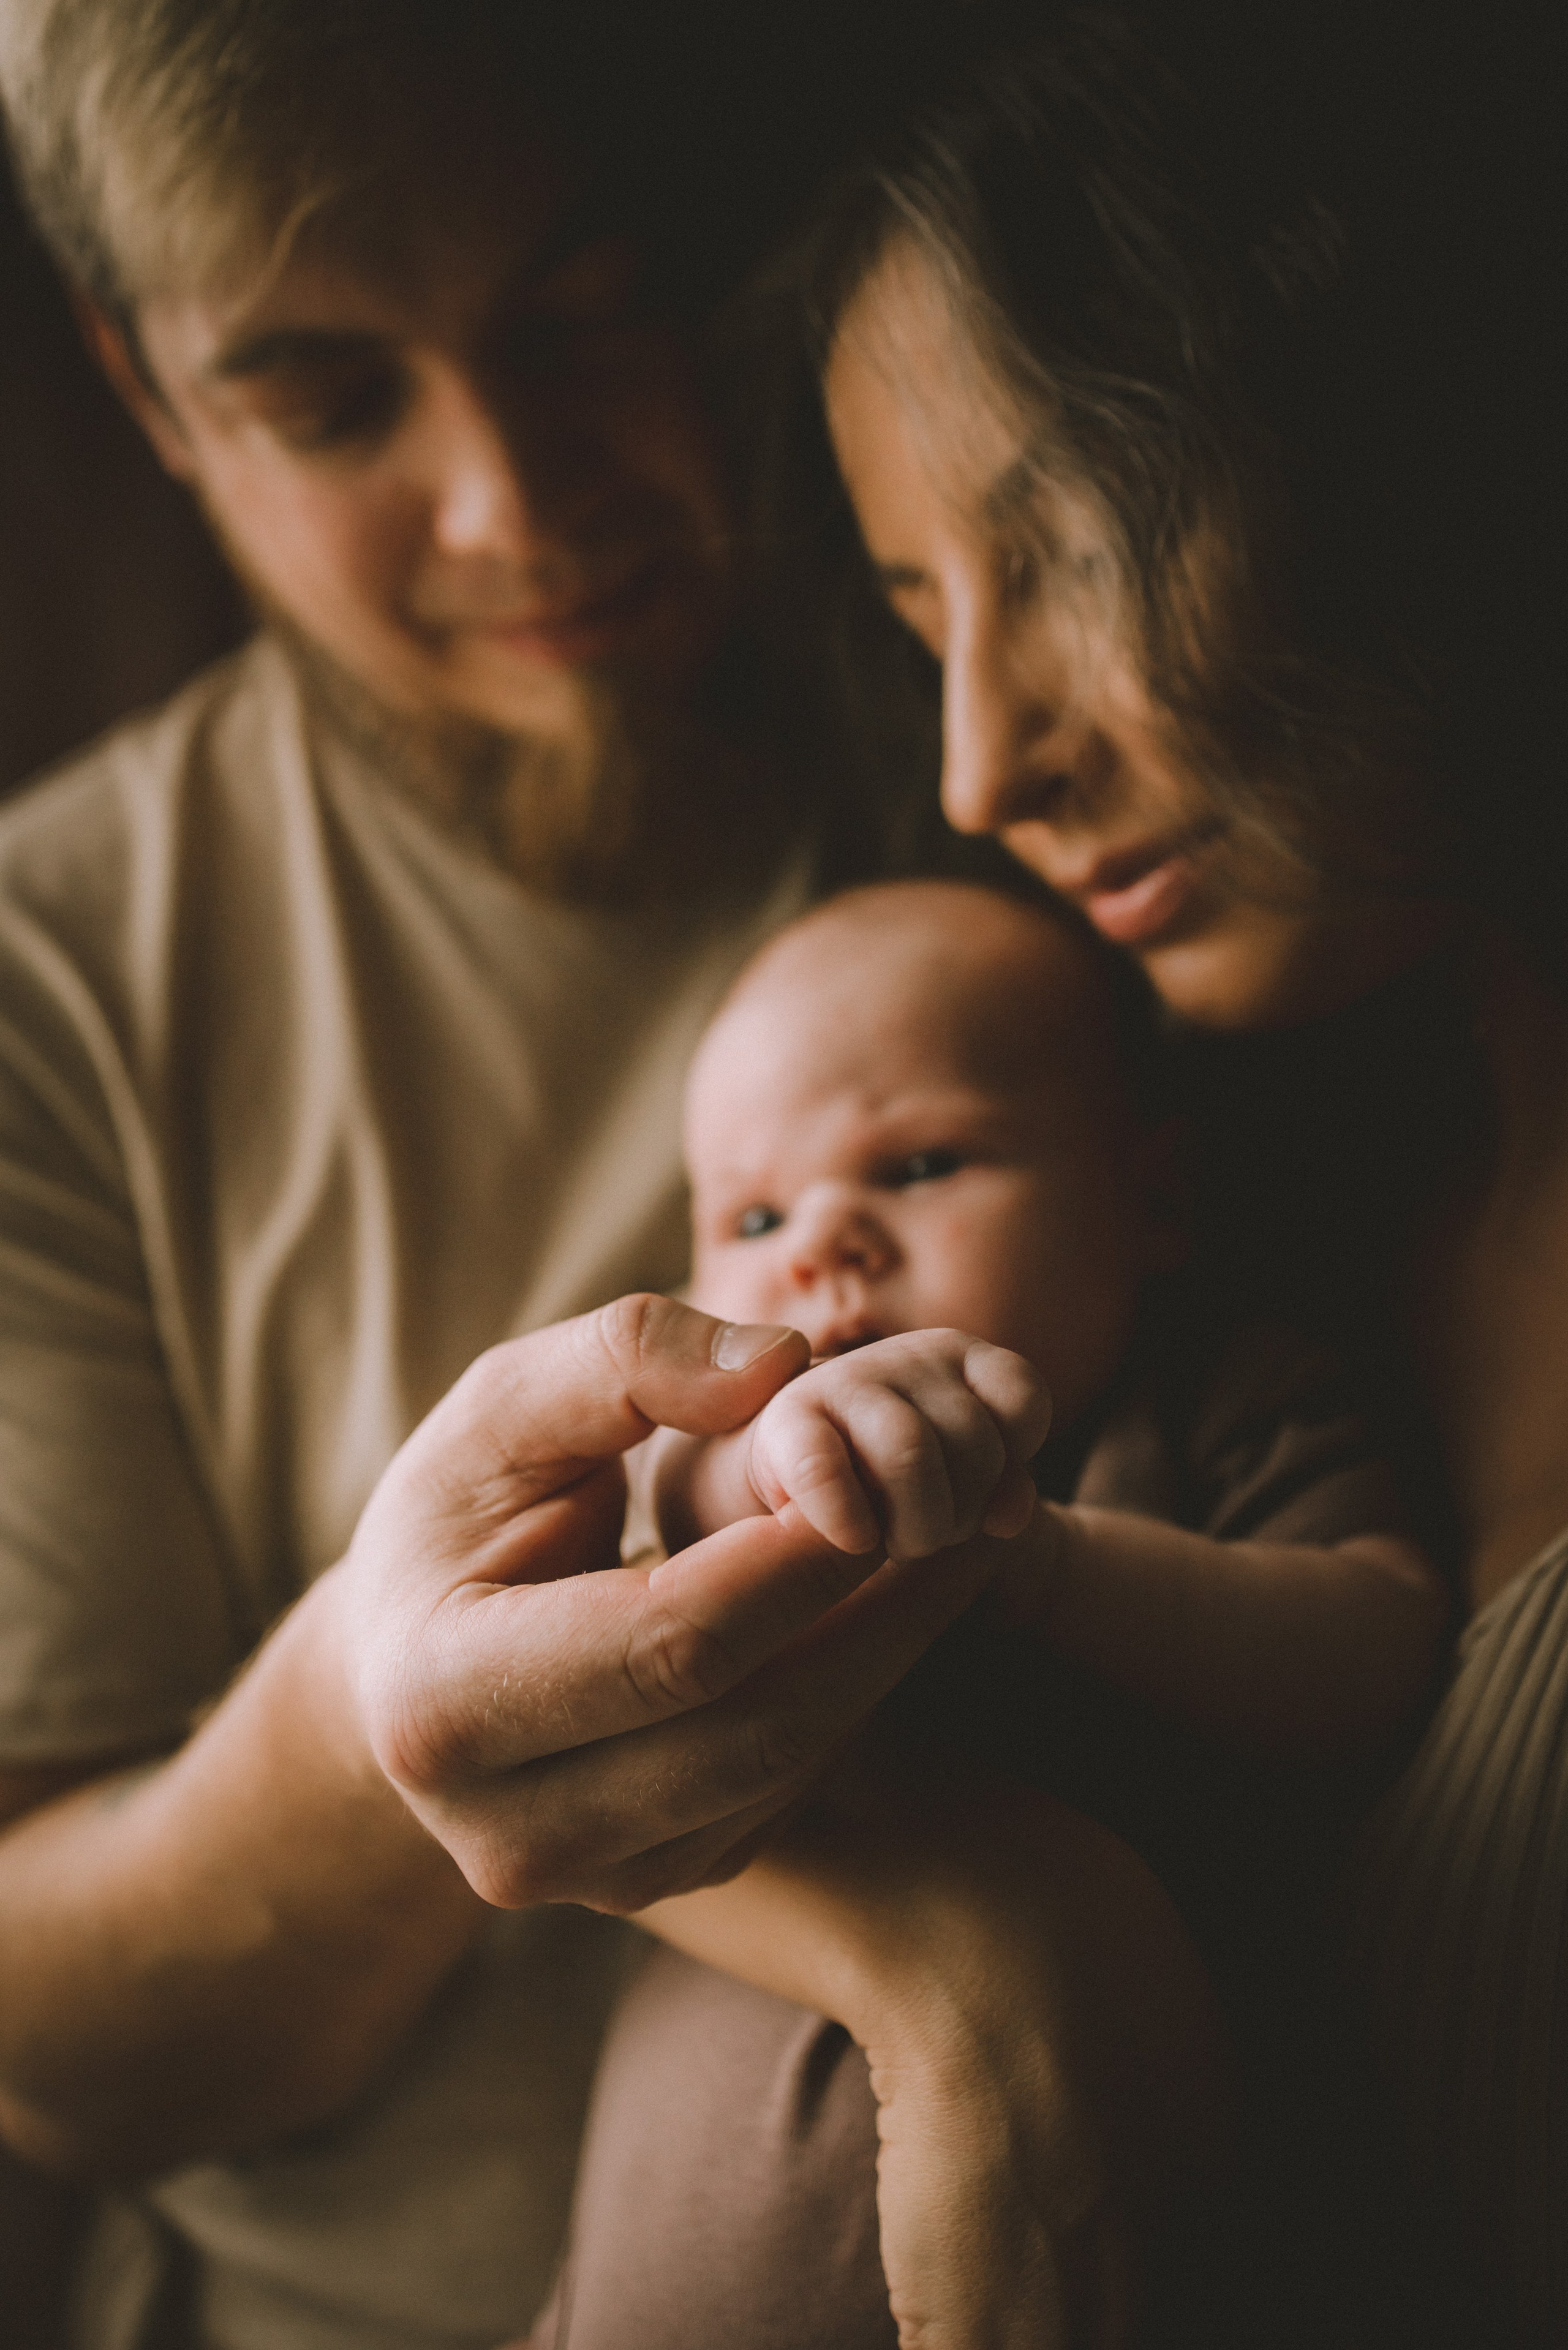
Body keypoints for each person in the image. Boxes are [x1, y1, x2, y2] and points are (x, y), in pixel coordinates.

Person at [407, 15, 1555, 2345]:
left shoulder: (1198, 1345)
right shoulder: (1294, 1113)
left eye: (1062, 549)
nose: (978, 764)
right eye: (924, 618)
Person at [0, 4, 1047, 2345]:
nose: (512, 503)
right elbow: (49, 2040)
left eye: (588, 319)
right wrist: (383, 1710)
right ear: (150, 402)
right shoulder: (47, 987)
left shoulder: (1038, 740)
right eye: (329, 398)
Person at [524, 873, 1447, 2347]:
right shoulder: (719, 1468)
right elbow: (649, 1569)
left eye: (920, 1162)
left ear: (1153, 1198)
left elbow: (1374, 1647)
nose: (822, 1245)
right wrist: (772, 1469)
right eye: (753, 1213)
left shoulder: (1218, 1392)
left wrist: (1049, 1566)